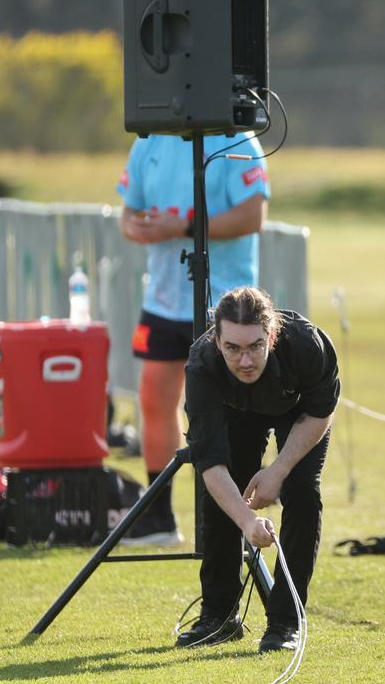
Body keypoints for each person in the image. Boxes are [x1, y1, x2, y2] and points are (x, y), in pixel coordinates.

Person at [116, 133, 269, 545]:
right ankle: (159, 516)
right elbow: (127, 213)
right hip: (164, 299)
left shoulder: (238, 139)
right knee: (153, 398)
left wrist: (183, 225)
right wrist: (137, 227)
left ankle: (235, 521)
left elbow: (253, 215)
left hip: (227, 305)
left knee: (231, 410)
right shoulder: (147, 140)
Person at [177, 286, 339, 653]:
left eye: (255, 347)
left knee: (301, 491)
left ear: (272, 335)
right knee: (221, 496)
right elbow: (210, 463)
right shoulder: (202, 365)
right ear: (216, 340)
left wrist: (278, 471)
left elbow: (320, 413)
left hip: (298, 414)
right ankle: (219, 616)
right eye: (232, 348)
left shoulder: (307, 345)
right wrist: (247, 522)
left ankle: (285, 622)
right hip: (236, 412)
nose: (245, 360)